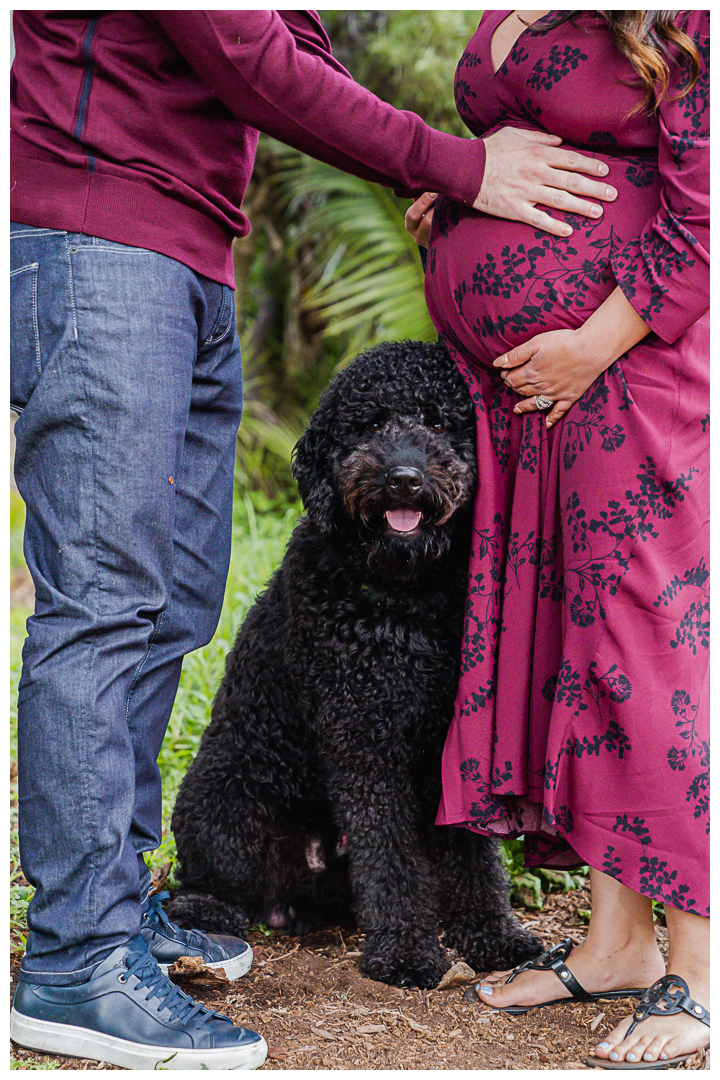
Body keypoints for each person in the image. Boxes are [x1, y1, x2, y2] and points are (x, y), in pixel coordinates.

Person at [9, 9, 620, 1072]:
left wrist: (421, 169)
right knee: (107, 603)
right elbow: (248, 56)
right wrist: (458, 163)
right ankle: (74, 960)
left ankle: (110, 904)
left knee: (175, 599)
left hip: (190, 248)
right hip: (101, 234)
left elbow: (294, 39)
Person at [406, 9, 709, 1070]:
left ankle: (704, 976)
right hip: (538, 397)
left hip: (629, 365)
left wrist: (589, 342)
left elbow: (706, 198)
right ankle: (617, 944)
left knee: (649, 649)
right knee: (584, 654)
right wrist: (458, 193)